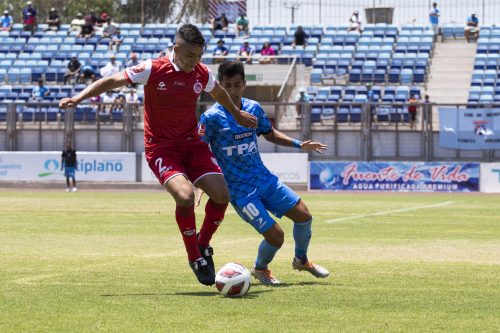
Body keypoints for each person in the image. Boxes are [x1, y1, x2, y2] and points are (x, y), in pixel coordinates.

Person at [58, 24, 257, 287]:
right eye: (190, 56)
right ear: (176, 49)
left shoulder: (201, 72)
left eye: (199, 56)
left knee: (222, 194)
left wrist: (238, 114)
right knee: (185, 196)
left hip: (192, 144)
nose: (194, 61)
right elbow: (112, 80)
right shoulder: (153, 69)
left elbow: (218, 92)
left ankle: (203, 244)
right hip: (161, 148)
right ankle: (194, 257)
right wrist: (80, 97)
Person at [199, 61, 329, 285]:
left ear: (244, 84)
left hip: (264, 180)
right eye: (227, 86)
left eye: (237, 85)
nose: (232, 91)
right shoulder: (211, 118)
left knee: (304, 216)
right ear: (219, 86)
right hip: (240, 192)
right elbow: (199, 151)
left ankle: (301, 260)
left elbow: (269, 134)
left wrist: (299, 144)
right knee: (276, 237)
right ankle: (260, 269)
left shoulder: (253, 108)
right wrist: (202, 181)